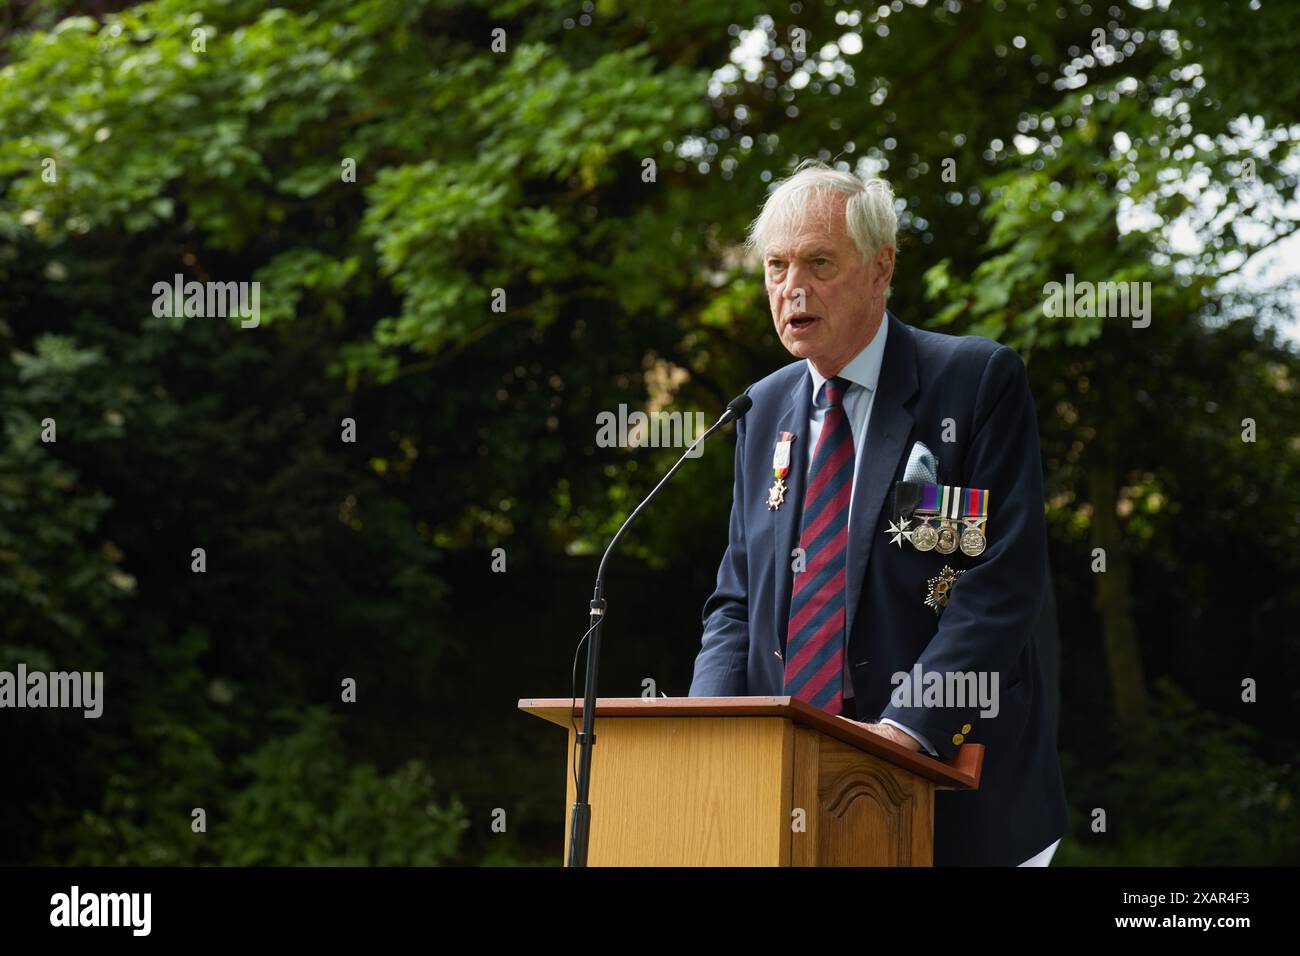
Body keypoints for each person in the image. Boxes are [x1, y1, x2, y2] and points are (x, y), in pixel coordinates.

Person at [688, 160, 1068, 866]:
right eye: (775, 266)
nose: (791, 288)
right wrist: (709, 730)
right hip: (789, 802)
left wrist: (904, 731)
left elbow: (999, 584)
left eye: (819, 262)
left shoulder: (975, 381)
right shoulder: (761, 408)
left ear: (880, 268)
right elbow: (737, 602)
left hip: (958, 796)